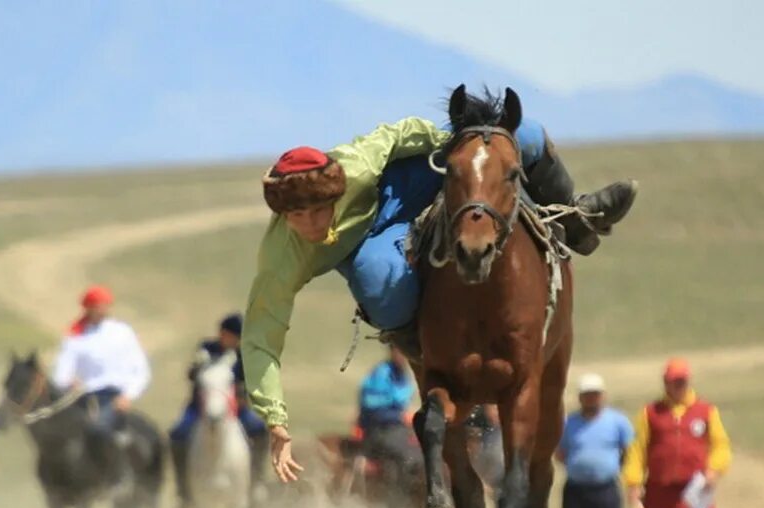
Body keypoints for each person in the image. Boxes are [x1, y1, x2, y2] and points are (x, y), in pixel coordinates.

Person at [243, 98, 638, 482]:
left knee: (521, 135)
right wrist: (274, 418)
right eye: (297, 216)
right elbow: (261, 335)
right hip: (374, 239)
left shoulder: (356, 166)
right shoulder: (282, 256)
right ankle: (428, 347)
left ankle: (577, 215)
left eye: (319, 210)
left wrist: (449, 140)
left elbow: (399, 135)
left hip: (399, 188)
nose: (311, 224)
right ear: (282, 214)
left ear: (336, 191)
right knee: (379, 285)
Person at [622, 359, 732, 508]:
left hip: (695, 490)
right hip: (659, 490)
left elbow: (721, 445)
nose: (679, 387)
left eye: (682, 381)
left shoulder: (705, 410)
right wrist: (633, 482)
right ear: (665, 383)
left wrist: (714, 469)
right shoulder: (650, 413)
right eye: (674, 382)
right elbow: (637, 449)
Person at [52, 285, 151, 494]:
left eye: (103, 305)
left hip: (113, 397)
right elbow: (60, 372)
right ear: (86, 308)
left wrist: (128, 395)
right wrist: (70, 380)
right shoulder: (75, 336)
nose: (100, 310)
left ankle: (115, 476)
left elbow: (140, 369)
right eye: (95, 306)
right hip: (83, 397)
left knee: (97, 429)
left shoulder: (122, 333)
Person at [169, 313, 268, 508]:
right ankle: (184, 490)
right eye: (233, 336)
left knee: (259, 430)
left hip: (235, 408)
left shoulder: (245, 355)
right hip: (200, 407)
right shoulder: (206, 349)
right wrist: (197, 367)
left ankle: (256, 481)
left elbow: (251, 382)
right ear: (223, 334)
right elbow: (191, 376)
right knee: (178, 433)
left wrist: (240, 395)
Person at [556, 374, 635, 508]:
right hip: (576, 490)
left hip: (605, 489)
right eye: (587, 394)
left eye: (595, 394)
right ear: (580, 397)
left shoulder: (618, 421)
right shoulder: (568, 423)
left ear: (602, 396)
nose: (591, 398)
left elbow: (628, 451)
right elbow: (560, 453)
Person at [357, 345, 418, 483]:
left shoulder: (404, 374)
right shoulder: (381, 374)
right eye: (399, 351)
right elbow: (371, 407)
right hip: (379, 429)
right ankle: (400, 497)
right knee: (409, 456)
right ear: (392, 351)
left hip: (399, 429)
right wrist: (399, 416)